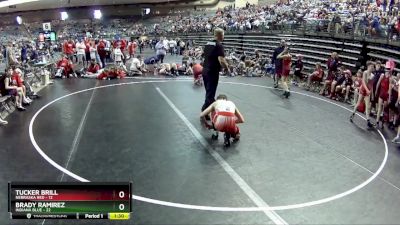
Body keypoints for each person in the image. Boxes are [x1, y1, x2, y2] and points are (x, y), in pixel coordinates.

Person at [201, 28, 229, 116]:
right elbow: (221, 60)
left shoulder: (207, 43)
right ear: (220, 35)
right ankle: (205, 113)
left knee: (209, 93)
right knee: (210, 94)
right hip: (212, 72)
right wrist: (227, 68)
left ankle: (206, 110)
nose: (224, 37)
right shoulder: (219, 45)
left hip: (205, 70)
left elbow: (204, 55)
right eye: (223, 35)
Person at [350, 61, 376, 128]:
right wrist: (367, 90)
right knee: (358, 103)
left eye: (372, 67)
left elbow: (371, 85)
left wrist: (372, 94)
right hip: (363, 90)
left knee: (368, 106)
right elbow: (363, 82)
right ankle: (353, 114)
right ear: (368, 67)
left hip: (368, 91)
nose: (372, 68)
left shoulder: (373, 75)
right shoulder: (365, 72)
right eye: (371, 67)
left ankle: (368, 121)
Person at [375, 60, 394, 128]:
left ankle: (381, 123)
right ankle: (377, 122)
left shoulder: (390, 78)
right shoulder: (383, 75)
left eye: (388, 69)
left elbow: (390, 89)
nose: (387, 70)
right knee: (381, 109)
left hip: (384, 94)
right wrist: (376, 91)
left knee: (383, 109)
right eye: (387, 69)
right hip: (382, 94)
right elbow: (378, 84)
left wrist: (388, 99)